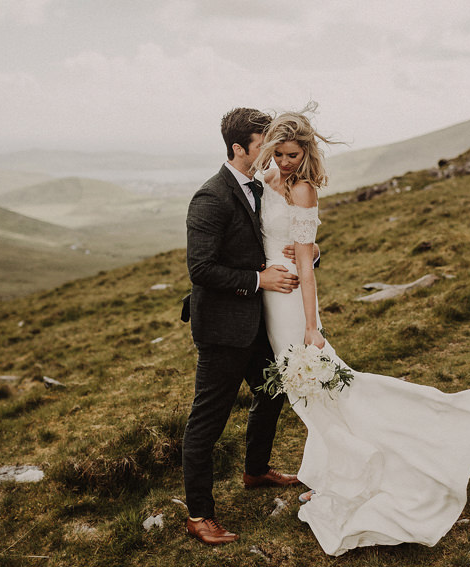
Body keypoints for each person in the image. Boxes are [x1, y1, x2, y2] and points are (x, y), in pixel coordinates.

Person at [253, 104, 470, 556]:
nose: (286, 162)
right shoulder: (265, 181)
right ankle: (329, 474)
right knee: (311, 395)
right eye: (279, 154)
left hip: (291, 301)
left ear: (307, 153)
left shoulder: (303, 192)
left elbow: (305, 260)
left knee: (314, 389)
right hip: (266, 291)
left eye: (293, 155)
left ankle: (357, 471)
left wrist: (310, 325)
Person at [182, 107, 303, 546]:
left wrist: (299, 257)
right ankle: (199, 515)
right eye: (261, 145)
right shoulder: (210, 197)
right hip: (221, 328)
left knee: (273, 392)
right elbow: (201, 269)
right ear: (238, 148)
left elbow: (268, 243)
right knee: (206, 422)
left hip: (258, 321)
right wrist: (258, 280)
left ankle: (255, 471)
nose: (270, 152)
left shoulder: (260, 186)